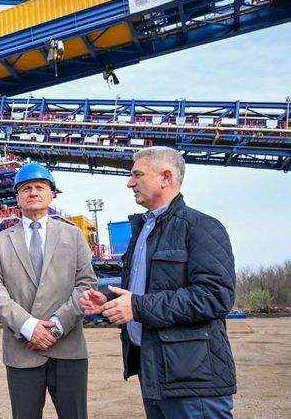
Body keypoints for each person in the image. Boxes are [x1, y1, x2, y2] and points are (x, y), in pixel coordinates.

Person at [81, 146, 237, 418]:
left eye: (137, 175)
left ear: (166, 177)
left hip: (193, 378)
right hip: (153, 369)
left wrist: (137, 307)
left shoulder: (201, 227)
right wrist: (109, 303)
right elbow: (147, 291)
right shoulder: (143, 231)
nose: (130, 183)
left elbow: (215, 297)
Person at [0, 162, 97, 419]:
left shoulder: (73, 235)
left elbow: (86, 284)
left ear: (51, 194)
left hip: (68, 348)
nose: (33, 192)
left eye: (40, 187)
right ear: (17, 198)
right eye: (26, 188)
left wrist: (57, 325)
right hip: (22, 350)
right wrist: (28, 326)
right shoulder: (0, 241)